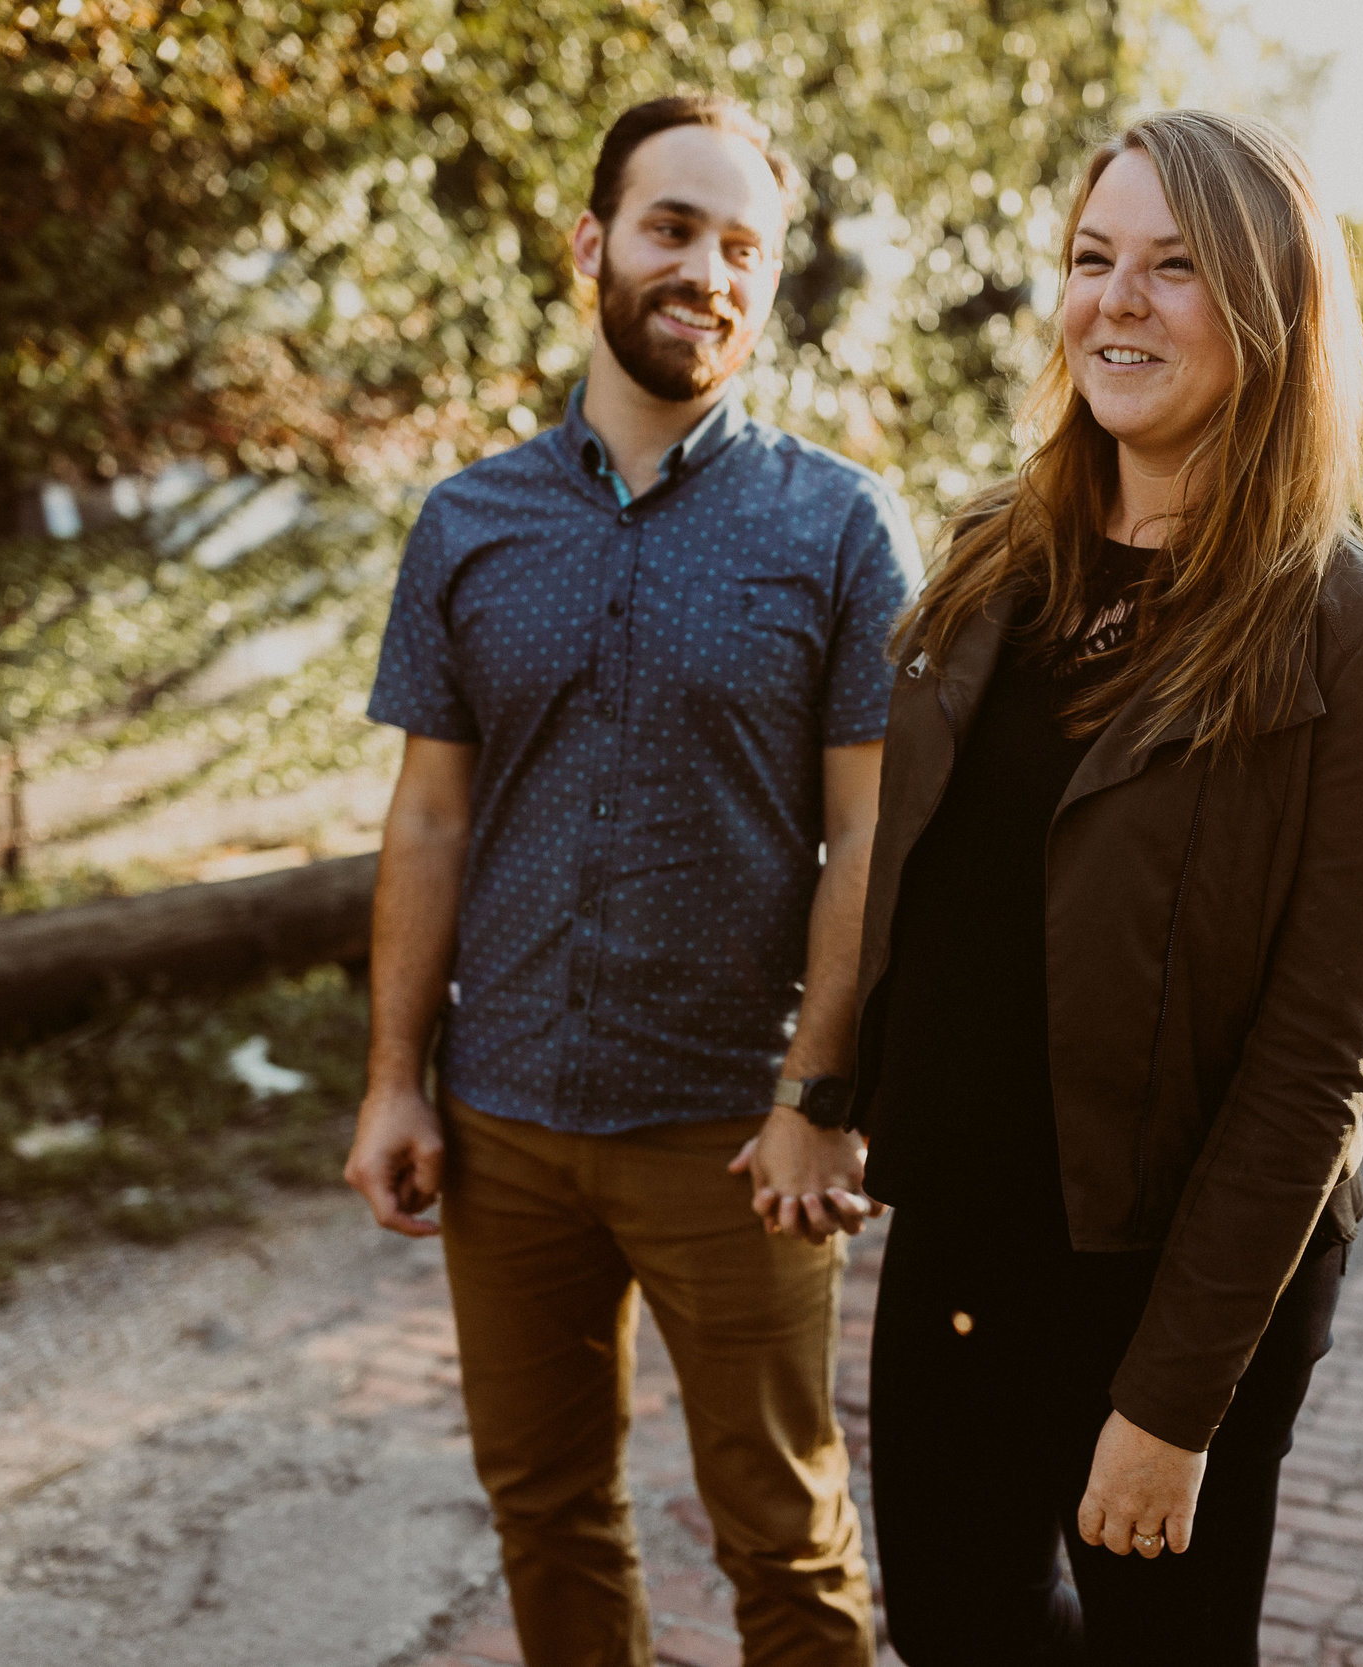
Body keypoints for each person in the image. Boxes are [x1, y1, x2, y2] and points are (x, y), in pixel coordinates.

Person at [850, 108, 1363, 1663]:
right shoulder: (999, 562)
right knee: (953, 1630)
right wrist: (828, 1086)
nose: (1116, 300)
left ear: (1271, 313)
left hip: (1174, 1281)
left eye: (1176, 267)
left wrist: (1172, 1401)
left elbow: (1318, 1059)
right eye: (1092, 259)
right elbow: (916, 877)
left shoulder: (1358, 638)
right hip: (965, 1245)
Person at [345, 92, 916, 1667]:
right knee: (545, 1509)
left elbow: (874, 838)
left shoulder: (843, 525)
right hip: (507, 1123)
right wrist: (397, 1079)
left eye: (748, 247)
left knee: (787, 1544)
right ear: (593, 243)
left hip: (736, 1138)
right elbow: (430, 822)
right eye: (675, 229)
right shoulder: (467, 522)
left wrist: (823, 1091)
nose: (710, 273)